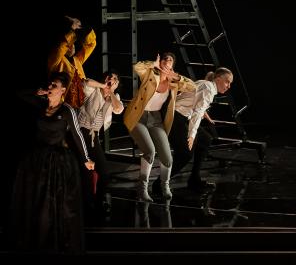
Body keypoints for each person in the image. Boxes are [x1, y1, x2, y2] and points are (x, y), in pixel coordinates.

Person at [9, 71, 95, 254]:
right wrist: (36, 92)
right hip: (38, 158)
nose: (50, 87)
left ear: (62, 90)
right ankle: (36, 236)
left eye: (54, 85)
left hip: (57, 159)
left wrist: (86, 159)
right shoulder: (41, 104)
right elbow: (19, 94)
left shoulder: (67, 110)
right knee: (37, 197)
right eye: (49, 84)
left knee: (55, 200)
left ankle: (56, 237)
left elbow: (77, 135)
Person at [123, 52, 195, 202]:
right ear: (161, 62)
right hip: (138, 116)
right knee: (150, 151)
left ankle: (165, 186)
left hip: (156, 119)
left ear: (172, 65)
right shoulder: (150, 74)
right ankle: (142, 189)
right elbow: (137, 67)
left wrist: (177, 77)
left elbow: (192, 87)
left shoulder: (173, 82)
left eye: (171, 59)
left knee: (167, 157)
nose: (167, 60)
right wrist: (152, 64)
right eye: (165, 59)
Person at [165, 67, 233, 192]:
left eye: (230, 83)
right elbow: (197, 112)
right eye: (227, 82)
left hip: (183, 116)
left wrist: (205, 116)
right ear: (218, 79)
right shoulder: (208, 88)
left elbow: (196, 104)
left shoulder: (206, 84)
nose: (229, 86)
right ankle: (160, 184)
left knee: (205, 140)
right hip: (175, 117)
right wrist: (191, 135)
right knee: (185, 154)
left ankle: (194, 179)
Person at [78, 69, 124, 219]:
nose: (111, 79)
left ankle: (97, 203)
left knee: (104, 172)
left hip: (94, 135)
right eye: (109, 77)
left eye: (114, 79)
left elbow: (118, 109)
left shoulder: (114, 97)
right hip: (81, 132)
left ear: (117, 83)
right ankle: (88, 206)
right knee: (86, 172)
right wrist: (103, 86)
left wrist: (111, 93)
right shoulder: (94, 90)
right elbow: (85, 82)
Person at [47, 15, 96, 109]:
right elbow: (60, 48)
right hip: (63, 107)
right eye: (69, 43)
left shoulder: (77, 60)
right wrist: (72, 30)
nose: (72, 46)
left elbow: (91, 45)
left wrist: (82, 26)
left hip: (80, 107)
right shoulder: (56, 61)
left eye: (73, 43)